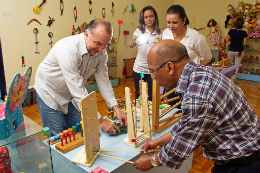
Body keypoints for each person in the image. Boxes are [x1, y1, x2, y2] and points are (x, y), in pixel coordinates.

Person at [133, 40, 260, 173]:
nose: (153, 77)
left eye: (153, 71)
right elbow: (187, 124)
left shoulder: (197, 93)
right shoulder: (200, 73)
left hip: (245, 163)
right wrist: (159, 141)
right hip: (242, 155)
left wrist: (152, 161)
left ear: (169, 67)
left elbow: (183, 143)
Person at [34, 19, 127, 137]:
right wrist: (100, 121)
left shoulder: (101, 52)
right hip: (50, 92)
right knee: (59, 137)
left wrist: (116, 109)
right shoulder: (68, 49)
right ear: (86, 34)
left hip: (72, 95)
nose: (101, 49)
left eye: (105, 45)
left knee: (77, 132)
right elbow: (77, 89)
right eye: (98, 43)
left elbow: (104, 80)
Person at [162, 5, 212, 107]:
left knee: (188, 110)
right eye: (168, 22)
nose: (171, 26)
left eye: (175, 22)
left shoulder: (196, 37)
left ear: (184, 20)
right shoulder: (166, 33)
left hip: (190, 83)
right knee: (173, 109)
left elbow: (206, 58)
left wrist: (191, 65)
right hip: (172, 81)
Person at [129, 6, 162, 101]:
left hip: (154, 71)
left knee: (153, 96)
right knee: (139, 97)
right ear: (143, 19)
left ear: (155, 17)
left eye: (151, 16)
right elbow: (131, 44)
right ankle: (140, 114)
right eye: (146, 17)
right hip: (140, 70)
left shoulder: (160, 33)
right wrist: (136, 41)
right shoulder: (139, 31)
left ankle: (151, 115)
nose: (148, 19)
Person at [226, 18, 248, 82]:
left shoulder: (231, 31)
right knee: (236, 66)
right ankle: (232, 80)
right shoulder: (244, 33)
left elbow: (227, 40)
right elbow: (245, 43)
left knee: (229, 65)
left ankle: (227, 79)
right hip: (239, 51)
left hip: (231, 50)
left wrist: (231, 39)